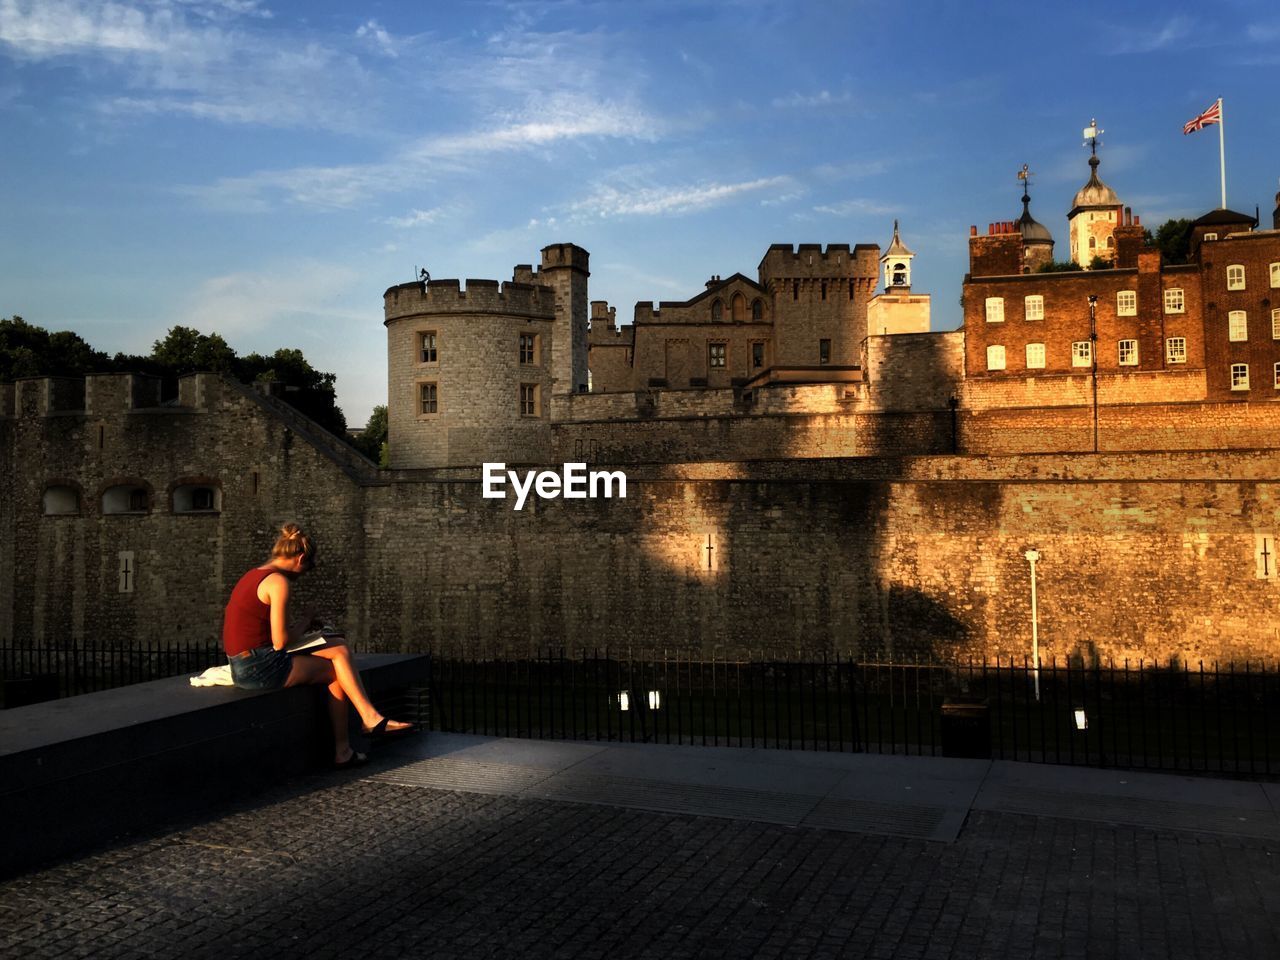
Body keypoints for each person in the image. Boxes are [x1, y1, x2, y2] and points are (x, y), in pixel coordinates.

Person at [222, 523, 414, 768]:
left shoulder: (253, 574)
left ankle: (368, 719)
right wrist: (305, 620)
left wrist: (307, 628)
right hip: (259, 667)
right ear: (300, 558)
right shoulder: (278, 582)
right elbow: (280, 641)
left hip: (245, 661)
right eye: (307, 567)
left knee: (339, 647)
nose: (305, 573)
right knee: (337, 671)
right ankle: (349, 742)